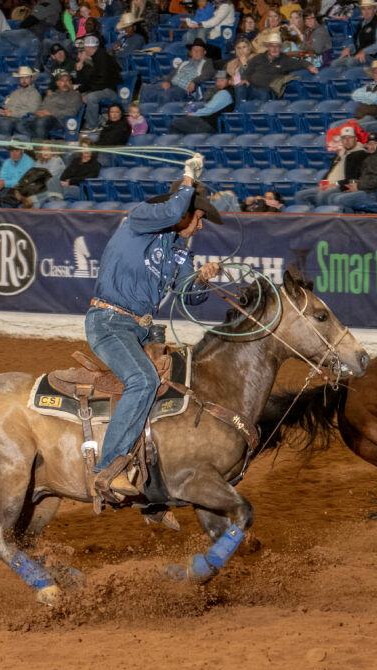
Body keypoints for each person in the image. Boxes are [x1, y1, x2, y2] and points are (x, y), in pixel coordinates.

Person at [85, 154, 223, 502]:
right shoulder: (141, 218)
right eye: (199, 217)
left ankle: (155, 476)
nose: (200, 227)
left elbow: (190, 296)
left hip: (140, 330)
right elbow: (172, 212)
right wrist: (188, 177)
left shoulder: (179, 252)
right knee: (143, 380)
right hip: (110, 323)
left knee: (179, 384)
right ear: (186, 211)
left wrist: (202, 279)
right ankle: (108, 468)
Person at [294, 125, 368, 205]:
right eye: (344, 138)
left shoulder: (360, 154)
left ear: (356, 139)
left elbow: (354, 177)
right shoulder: (340, 153)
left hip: (342, 186)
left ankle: (323, 212)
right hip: (329, 185)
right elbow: (331, 170)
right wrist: (323, 182)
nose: (347, 140)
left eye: (350, 138)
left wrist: (336, 184)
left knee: (322, 195)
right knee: (300, 195)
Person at [240, 30, 318, 101]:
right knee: (239, 89)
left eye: (277, 46)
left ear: (280, 47)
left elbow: (300, 63)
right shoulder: (258, 58)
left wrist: (309, 66)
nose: (274, 49)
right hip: (250, 87)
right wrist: (244, 79)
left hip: (266, 90)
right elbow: (247, 72)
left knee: (264, 95)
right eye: (272, 46)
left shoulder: (284, 59)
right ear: (268, 47)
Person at [327, 131, 377, 211]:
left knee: (338, 199)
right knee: (332, 197)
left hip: (376, 194)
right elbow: (364, 178)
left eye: (375, 143)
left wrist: (358, 186)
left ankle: (347, 218)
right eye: (369, 144)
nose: (372, 146)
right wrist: (355, 185)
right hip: (365, 190)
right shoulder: (369, 158)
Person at [140, 38, 215, 105]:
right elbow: (172, 74)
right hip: (172, 85)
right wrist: (167, 81)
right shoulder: (184, 63)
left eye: (199, 50)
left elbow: (208, 74)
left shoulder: (207, 63)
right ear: (191, 52)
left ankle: (161, 114)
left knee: (166, 95)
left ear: (204, 52)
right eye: (194, 50)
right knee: (146, 90)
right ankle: (142, 114)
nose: (196, 52)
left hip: (185, 89)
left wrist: (194, 82)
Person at [0, 66, 44, 135]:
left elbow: (33, 111)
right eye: (22, 78)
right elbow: (6, 104)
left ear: (31, 79)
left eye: (26, 78)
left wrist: (12, 114)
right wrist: (4, 110)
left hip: (19, 120)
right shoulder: (15, 93)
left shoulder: (35, 95)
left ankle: (4, 141)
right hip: (6, 118)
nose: (24, 80)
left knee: (6, 124)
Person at [74, 34, 123, 131]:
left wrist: (89, 92)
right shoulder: (94, 58)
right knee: (79, 95)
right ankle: (102, 121)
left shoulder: (102, 57)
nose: (84, 50)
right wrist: (81, 65)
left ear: (89, 48)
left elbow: (103, 81)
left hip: (112, 90)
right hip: (102, 88)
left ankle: (93, 126)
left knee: (91, 97)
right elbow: (87, 81)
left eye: (85, 47)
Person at [17, 69, 84, 139]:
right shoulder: (51, 95)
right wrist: (38, 112)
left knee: (41, 122)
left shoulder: (75, 95)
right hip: (44, 118)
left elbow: (71, 113)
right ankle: (34, 141)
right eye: (62, 81)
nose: (65, 83)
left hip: (60, 121)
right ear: (57, 83)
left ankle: (40, 144)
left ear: (70, 82)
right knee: (21, 124)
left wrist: (50, 113)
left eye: (67, 80)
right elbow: (41, 107)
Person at [167, 70, 236, 134]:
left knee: (174, 124)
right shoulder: (227, 92)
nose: (219, 83)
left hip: (208, 124)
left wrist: (194, 114)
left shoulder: (224, 93)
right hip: (208, 123)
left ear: (229, 81)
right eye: (217, 81)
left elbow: (209, 110)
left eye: (222, 80)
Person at [331, 0, 377, 68]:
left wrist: (364, 51)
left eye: (369, 9)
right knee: (334, 63)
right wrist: (349, 48)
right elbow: (357, 42)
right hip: (358, 54)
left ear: (374, 10)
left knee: (351, 62)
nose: (366, 12)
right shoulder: (362, 23)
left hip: (373, 57)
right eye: (363, 9)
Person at [0, 140, 34, 207]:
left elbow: (22, 182)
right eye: (12, 151)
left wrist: (5, 183)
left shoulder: (28, 162)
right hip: (8, 187)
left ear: (22, 151)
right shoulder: (8, 162)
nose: (14, 153)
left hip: (20, 188)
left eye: (16, 151)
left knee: (12, 192)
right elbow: (3, 176)